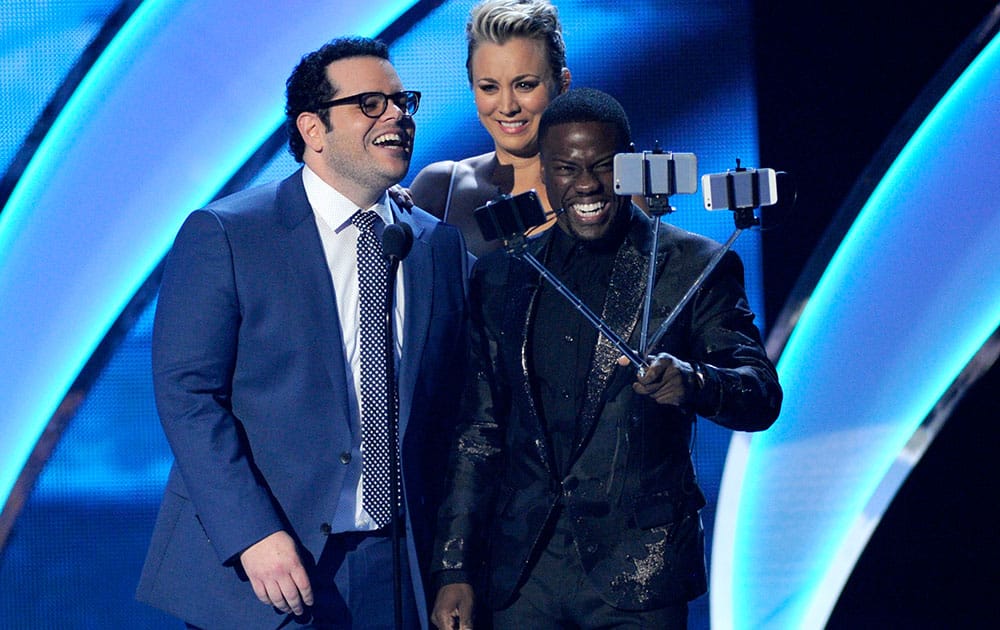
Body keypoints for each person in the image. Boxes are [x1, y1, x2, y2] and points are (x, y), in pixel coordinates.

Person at [136, 37, 469, 630]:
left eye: (402, 101)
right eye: (371, 104)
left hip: (394, 566)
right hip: (264, 566)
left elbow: (452, 411)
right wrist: (251, 534)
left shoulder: (435, 245)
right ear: (313, 128)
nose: (398, 116)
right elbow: (187, 394)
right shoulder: (229, 232)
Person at [429, 88, 782, 629]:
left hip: (640, 573)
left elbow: (759, 394)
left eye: (602, 166)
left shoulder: (694, 265)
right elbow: (479, 430)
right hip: (523, 574)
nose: (587, 184)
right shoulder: (502, 275)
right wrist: (454, 566)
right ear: (544, 174)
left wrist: (694, 382)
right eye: (567, 168)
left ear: (631, 165)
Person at [407, 0, 571, 258]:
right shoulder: (440, 188)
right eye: (489, 87)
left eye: (525, 85)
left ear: (562, 85)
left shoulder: (603, 186)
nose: (507, 106)